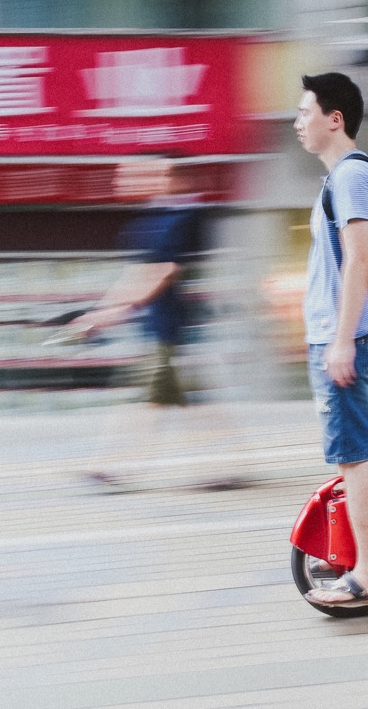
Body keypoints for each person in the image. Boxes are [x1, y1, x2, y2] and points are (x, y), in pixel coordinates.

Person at [66, 159, 239, 490]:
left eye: (142, 172)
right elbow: (136, 273)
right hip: (159, 330)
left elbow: (162, 271)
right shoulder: (150, 220)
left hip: (175, 331)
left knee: (152, 399)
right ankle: (225, 466)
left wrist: (112, 313)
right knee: (187, 401)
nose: (128, 178)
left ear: (171, 177)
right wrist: (101, 312)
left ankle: (110, 466)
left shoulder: (186, 218)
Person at [294, 72, 368, 607]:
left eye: (305, 112)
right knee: (349, 455)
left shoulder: (352, 178)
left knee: (354, 456)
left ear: (336, 119)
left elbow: (359, 260)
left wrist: (341, 341)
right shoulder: (341, 179)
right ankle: (367, 559)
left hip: (350, 336)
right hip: (341, 335)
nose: (297, 123)